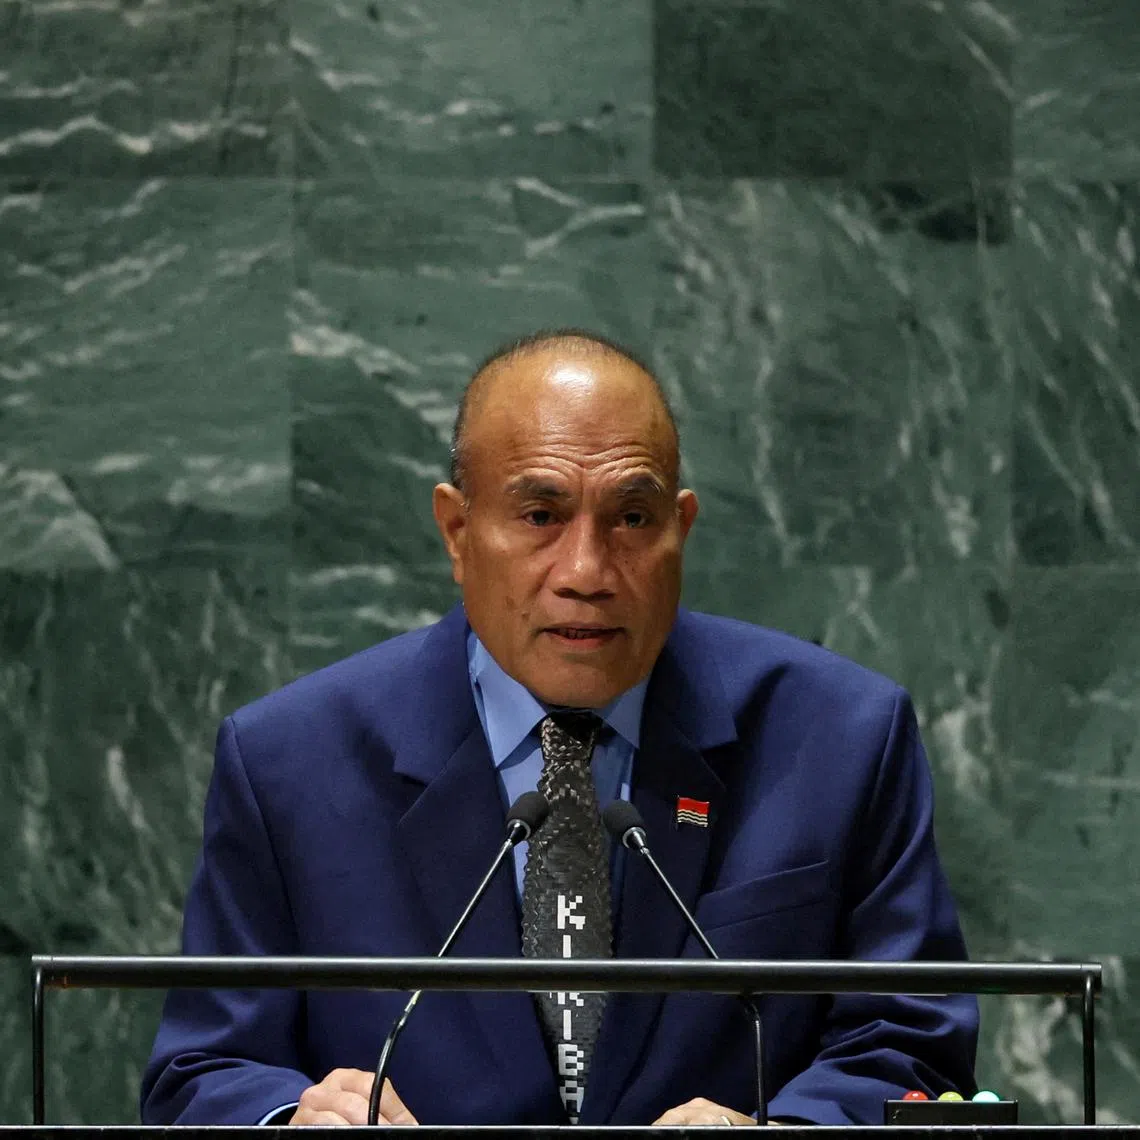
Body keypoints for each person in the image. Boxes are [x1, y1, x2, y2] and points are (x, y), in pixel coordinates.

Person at [141, 330, 978, 1128]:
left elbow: (911, 1044)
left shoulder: (839, 737)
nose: (586, 572)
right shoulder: (289, 760)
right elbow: (206, 1069)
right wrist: (295, 1117)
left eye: (632, 519)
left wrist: (782, 1132)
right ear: (458, 532)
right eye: (541, 515)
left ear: (681, 529)